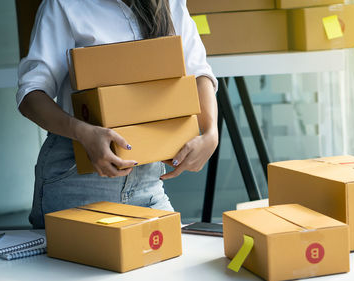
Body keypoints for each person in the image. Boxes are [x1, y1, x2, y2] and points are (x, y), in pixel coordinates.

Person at [17, 0, 218, 228]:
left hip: (147, 181)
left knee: (169, 258)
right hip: (78, 176)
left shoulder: (170, 3)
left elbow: (199, 72)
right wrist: (83, 132)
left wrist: (211, 133)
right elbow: (30, 94)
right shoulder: (64, 4)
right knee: (77, 263)